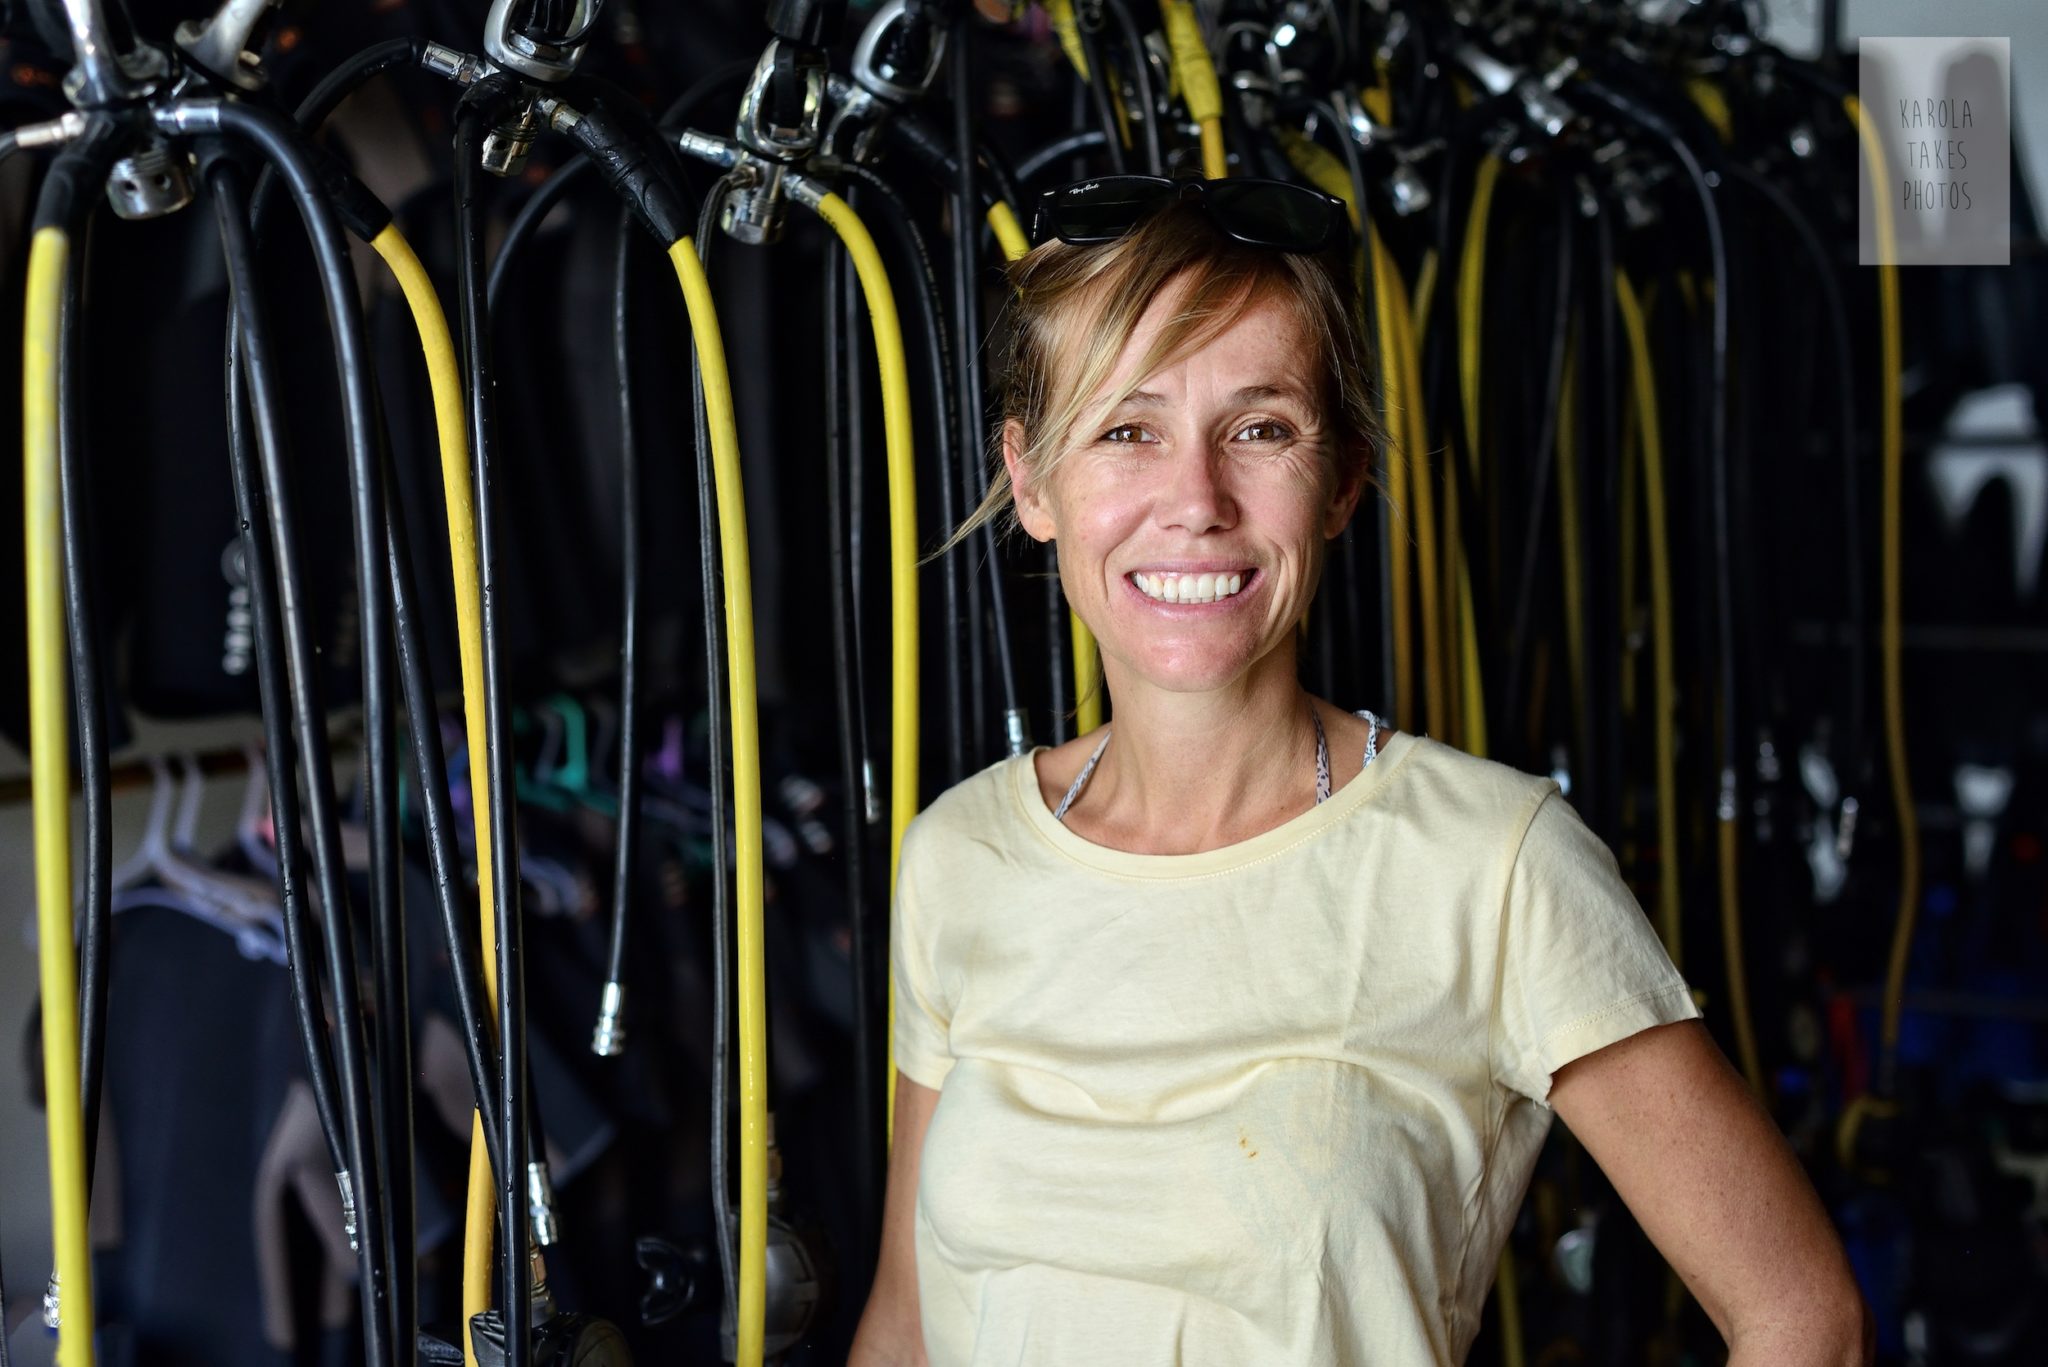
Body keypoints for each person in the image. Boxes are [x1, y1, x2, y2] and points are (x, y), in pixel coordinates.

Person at [850, 177, 1871, 1366]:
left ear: (1338, 480)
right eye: (1126, 429)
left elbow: (1804, 1317)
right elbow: (906, 1325)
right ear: (1030, 481)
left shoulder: (1489, 863)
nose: (1194, 500)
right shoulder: (962, 853)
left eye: (1259, 428)